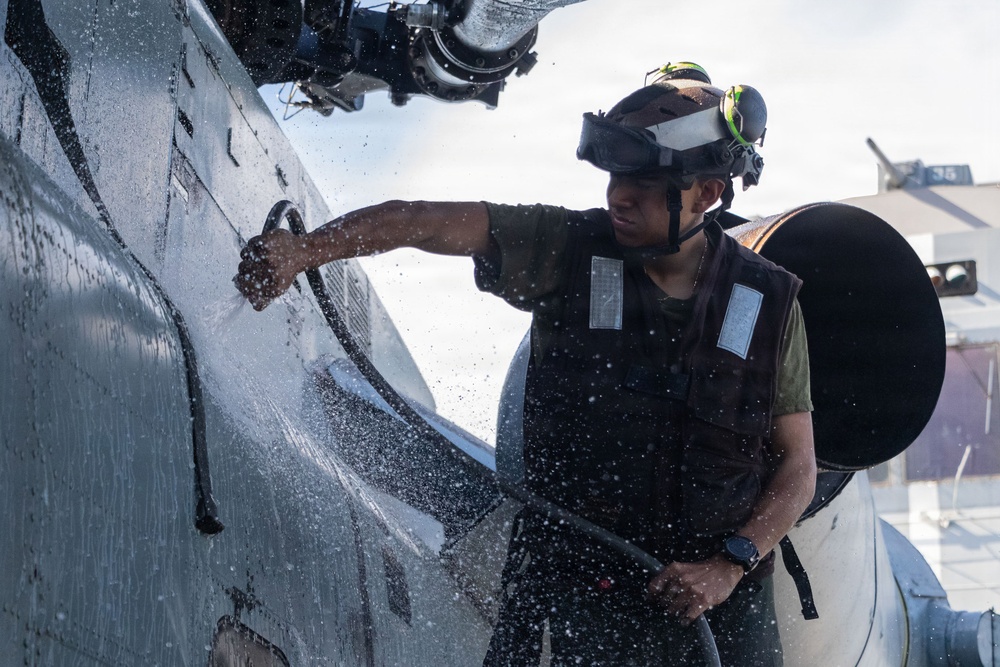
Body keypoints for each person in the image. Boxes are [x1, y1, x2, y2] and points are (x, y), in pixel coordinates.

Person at [235, 61, 817, 666]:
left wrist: (729, 565)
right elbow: (423, 220)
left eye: (643, 183)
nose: (618, 195)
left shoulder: (769, 303)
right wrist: (305, 251)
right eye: (616, 176)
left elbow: (797, 465)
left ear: (709, 194)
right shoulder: (565, 247)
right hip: (578, 586)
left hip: (721, 603)